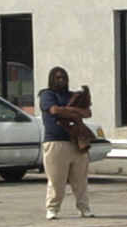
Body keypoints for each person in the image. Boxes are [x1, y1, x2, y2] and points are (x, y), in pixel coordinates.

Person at [38, 66, 94, 219]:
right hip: (55, 142)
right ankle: (52, 209)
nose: (61, 80)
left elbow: (87, 112)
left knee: (80, 180)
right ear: (51, 79)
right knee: (57, 180)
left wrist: (68, 111)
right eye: (57, 77)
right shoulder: (46, 94)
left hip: (76, 141)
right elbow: (54, 110)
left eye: (63, 77)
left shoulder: (73, 96)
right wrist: (74, 112)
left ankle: (84, 208)